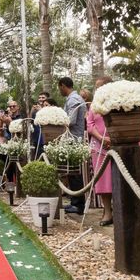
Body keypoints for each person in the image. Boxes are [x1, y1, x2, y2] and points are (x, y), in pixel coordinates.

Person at [86, 76, 113, 225]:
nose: (96, 89)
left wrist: (111, 138)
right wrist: (101, 138)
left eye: (99, 86)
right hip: (99, 145)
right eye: (96, 87)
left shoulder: (116, 102)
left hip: (115, 144)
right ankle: (107, 211)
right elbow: (90, 124)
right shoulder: (94, 105)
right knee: (102, 180)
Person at [59, 76, 87, 214]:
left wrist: (58, 120)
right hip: (72, 139)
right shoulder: (72, 99)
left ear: (63, 86)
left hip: (74, 139)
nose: (60, 91)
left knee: (74, 172)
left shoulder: (73, 99)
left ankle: (78, 204)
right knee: (71, 172)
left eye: (60, 88)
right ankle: (74, 202)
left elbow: (72, 120)